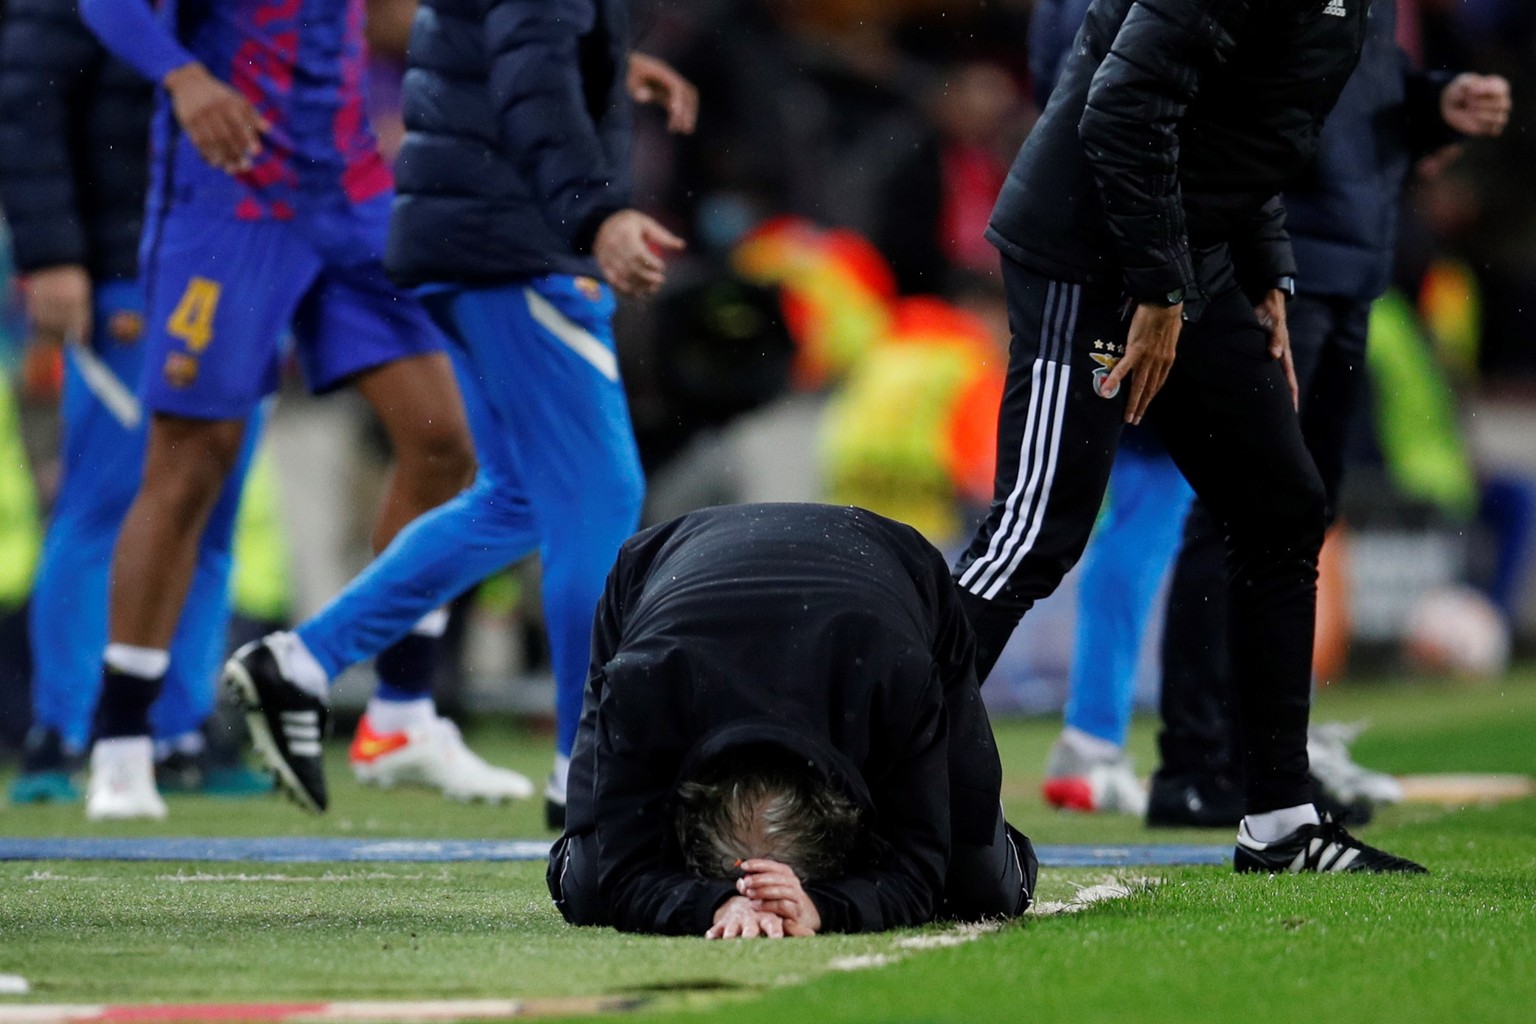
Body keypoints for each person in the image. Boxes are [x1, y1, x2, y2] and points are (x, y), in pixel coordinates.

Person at [953, 0, 1425, 873]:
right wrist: (1162, 291)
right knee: (1035, 532)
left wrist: (1264, 267)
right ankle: (860, 780)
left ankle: (1282, 823)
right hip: (1087, 248)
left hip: (1183, 247)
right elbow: (1124, 106)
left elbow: (1244, 128)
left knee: (1281, 508)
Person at [221, 0, 698, 821]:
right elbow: (528, 75)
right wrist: (599, 211)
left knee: (517, 499)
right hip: (519, 244)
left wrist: (605, 62)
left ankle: (301, 663)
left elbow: (505, 48)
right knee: (597, 494)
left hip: (468, 233)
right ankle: (586, 770)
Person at [75, 0, 531, 820]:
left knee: (445, 442)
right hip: (229, 196)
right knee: (189, 463)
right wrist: (182, 76)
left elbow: (392, 18)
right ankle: (120, 741)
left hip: (350, 192)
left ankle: (401, 714)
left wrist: (565, 52)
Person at [1148, 3, 1512, 826]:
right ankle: (1202, 762)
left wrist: (1426, 105)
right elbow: (1248, 85)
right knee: (1247, 509)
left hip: (1352, 254)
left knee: (1294, 515)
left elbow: (1344, 93)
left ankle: (1266, 761)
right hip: (1284, 248)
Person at [548, 503, 1036, 937]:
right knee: (586, 885)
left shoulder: (896, 681)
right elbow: (620, 875)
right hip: (654, 568)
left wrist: (819, 906)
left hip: (897, 567)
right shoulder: (644, 686)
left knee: (983, 887)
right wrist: (715, 901)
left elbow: (919, 871)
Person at [0, 0, 260, 803]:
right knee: (107, 503)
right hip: (129, 269)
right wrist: (52, 254)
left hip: (236, 265)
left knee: (210, 510)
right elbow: (27, 104)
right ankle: (64, 729)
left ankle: (181, 728)